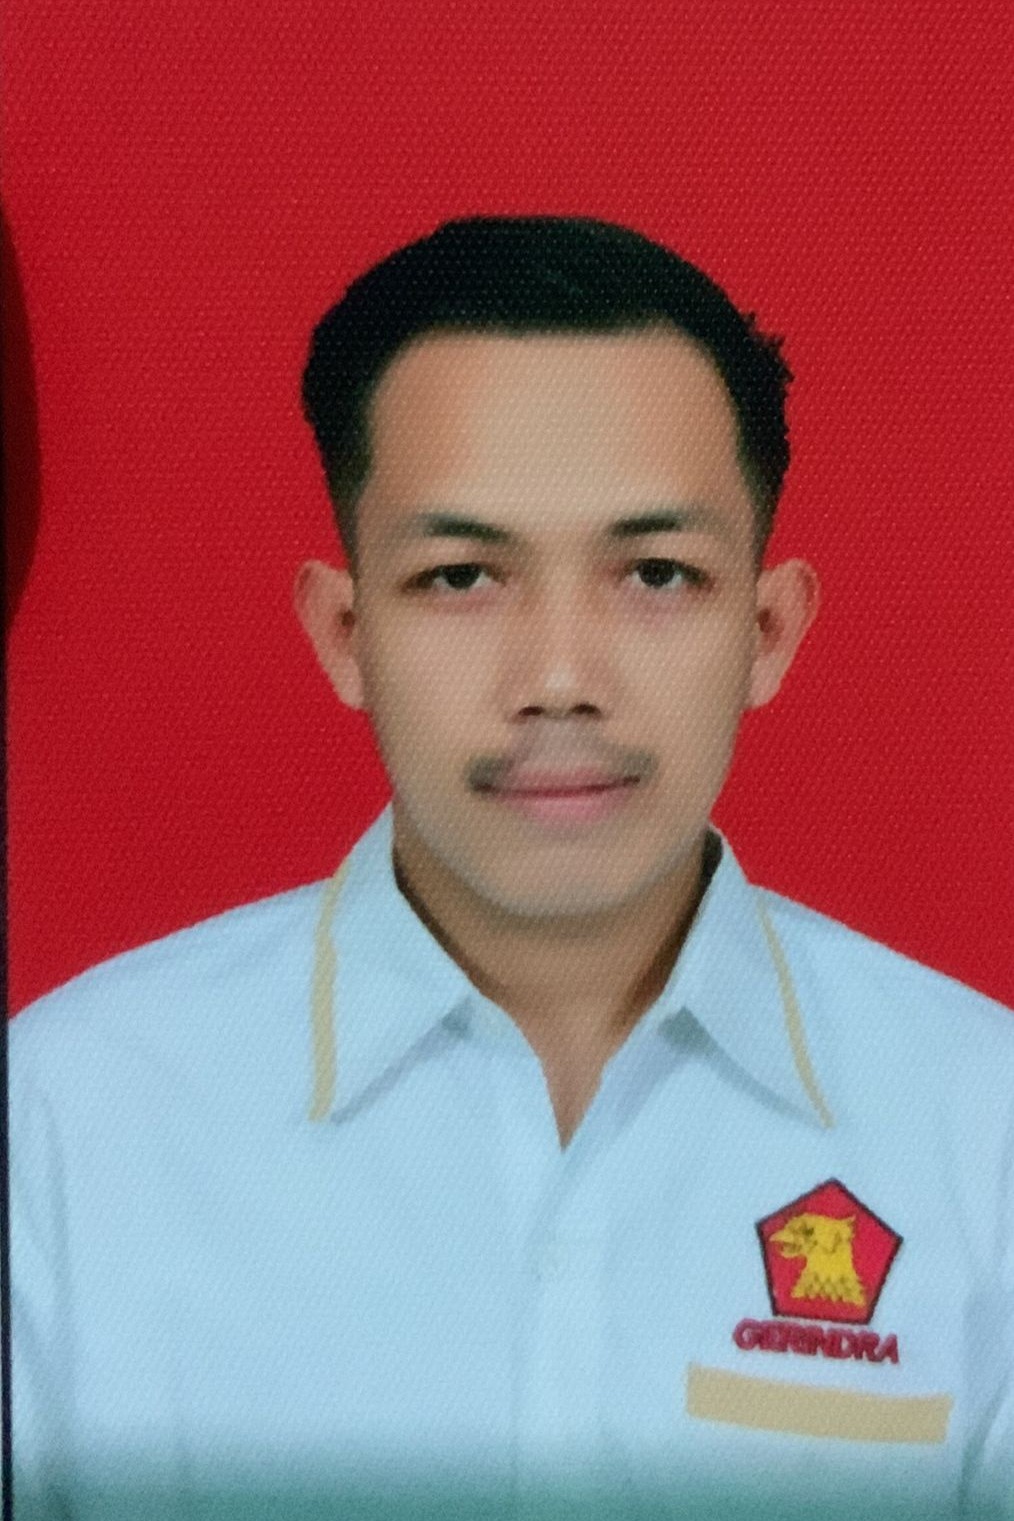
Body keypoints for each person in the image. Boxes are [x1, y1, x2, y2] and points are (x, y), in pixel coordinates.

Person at [8, 216, 1012, 1521]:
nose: (558, 678)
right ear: (345, 632)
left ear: (766, 630)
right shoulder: (68, 1122)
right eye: (462, 575)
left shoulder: (981, 1133)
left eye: (657, 573)